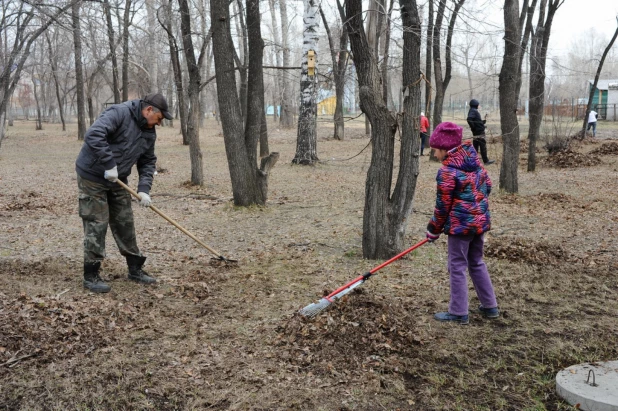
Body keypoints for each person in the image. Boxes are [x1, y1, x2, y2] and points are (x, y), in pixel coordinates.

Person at [75, 93, 172, 293]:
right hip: (93, 176)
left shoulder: (149, 129)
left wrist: (144, 190)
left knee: (124, 221)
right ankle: (91, 275)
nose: (159, 123)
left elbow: (147, 160)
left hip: (118, 179)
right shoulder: (119, 113)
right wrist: (109, 164)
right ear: (148, 110)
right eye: (160, 118)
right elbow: (94, 134)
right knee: (97, 222)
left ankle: (135, 268)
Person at [425, 122, 499, 324]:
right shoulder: (475, 162)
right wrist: (475, 206)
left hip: (461, 227)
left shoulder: (447, 171)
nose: (435, 155)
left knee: (457, 265)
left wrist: (433, 229)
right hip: (480, 223)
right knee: (476, 261)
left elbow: (443, 206)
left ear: (444, 149)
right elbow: (488, 187)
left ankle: (458, 312)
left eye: (435, 151)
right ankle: (490, 306)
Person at [466, 99, 494, 165]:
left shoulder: (472, 110)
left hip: (477, 131)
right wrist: (474, 127)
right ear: (476, 105)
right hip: (479, 132)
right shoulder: (474, 111)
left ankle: (473, 161)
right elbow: (469, 119)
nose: (479, 106)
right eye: (478, 105)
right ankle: (486, 161)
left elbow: (475, 120)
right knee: (482, 146)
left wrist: (482, 122)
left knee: (475, 146)